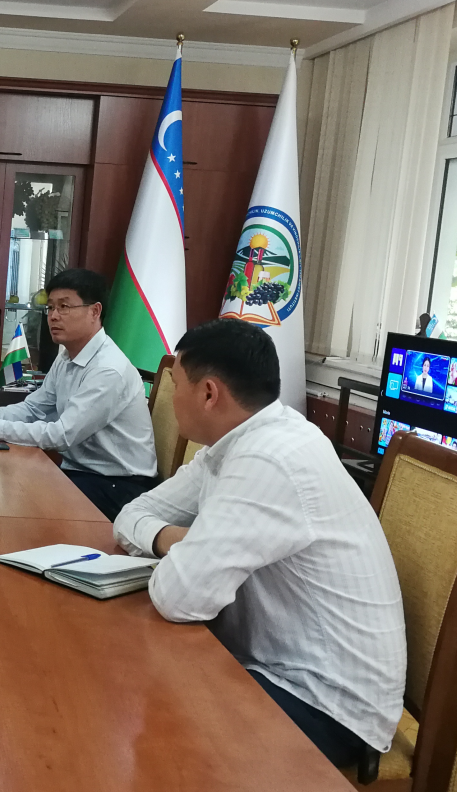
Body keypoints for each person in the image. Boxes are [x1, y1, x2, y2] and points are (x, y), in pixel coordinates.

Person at [112, 318, 405, 769]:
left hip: (325, 704)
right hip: (269, 665)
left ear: (209, 393)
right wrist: (179, 540)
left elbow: (178, 597)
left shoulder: (271, 458)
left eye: (176, 385)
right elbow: (131, 515)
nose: (171, 397)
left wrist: (188, 550)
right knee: (127, 683)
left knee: (148, 735)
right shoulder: (235, 442)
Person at [0, 268, 157, 521]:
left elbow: (61, 436)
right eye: (50, 307)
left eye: (64, 307)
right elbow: (33, 408)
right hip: (79, 472)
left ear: (95, 311)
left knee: (18, 502)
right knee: (0, 481)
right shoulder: (67, 356)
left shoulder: (108, 369)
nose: (53, 316)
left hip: (117, 486)